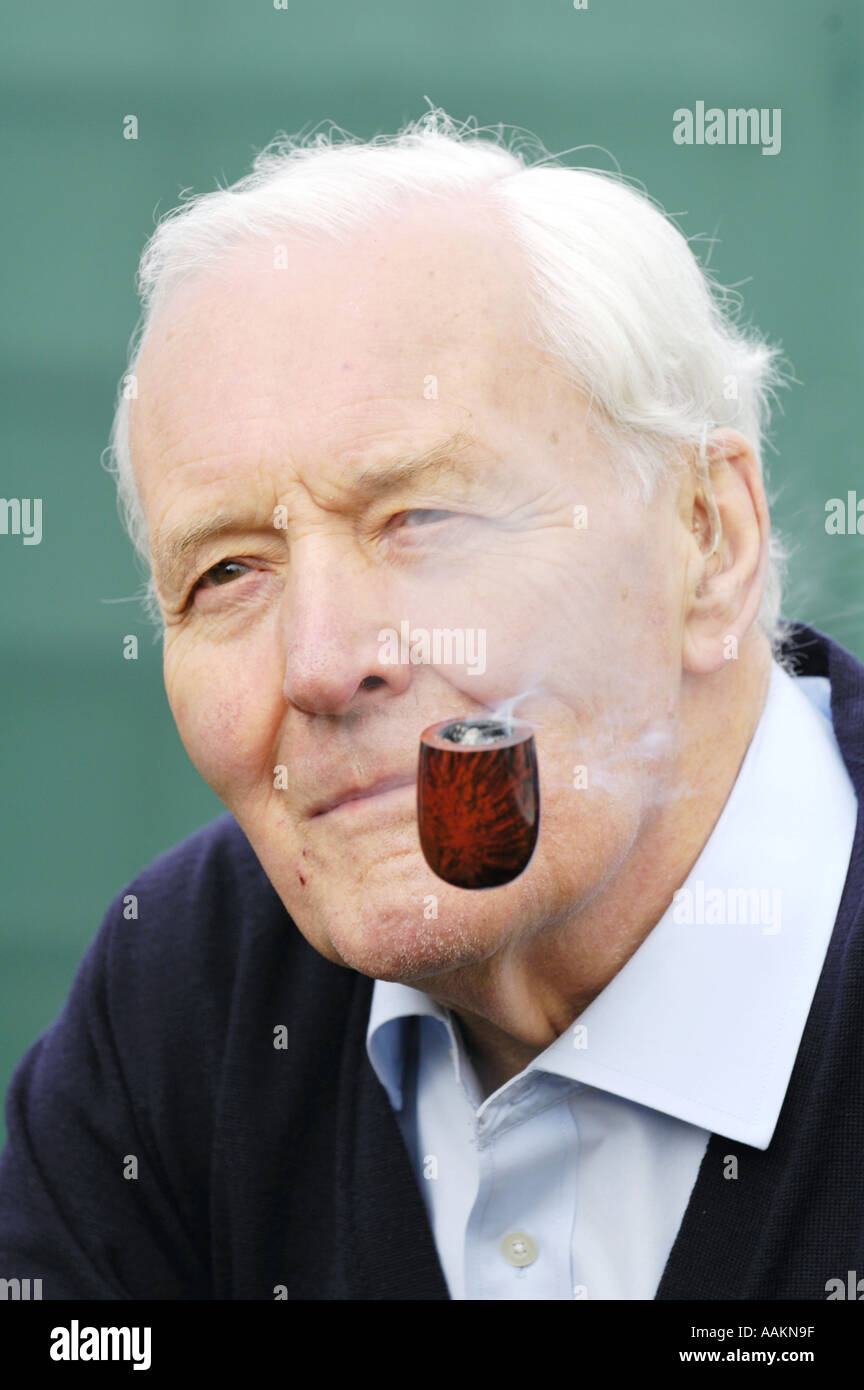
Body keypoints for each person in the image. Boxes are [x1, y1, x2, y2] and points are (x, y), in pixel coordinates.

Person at [1, 108, 862, 1301]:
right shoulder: (180, 1005)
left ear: (706, 541)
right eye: (229, 573)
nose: (321, 661)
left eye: (423, 521)